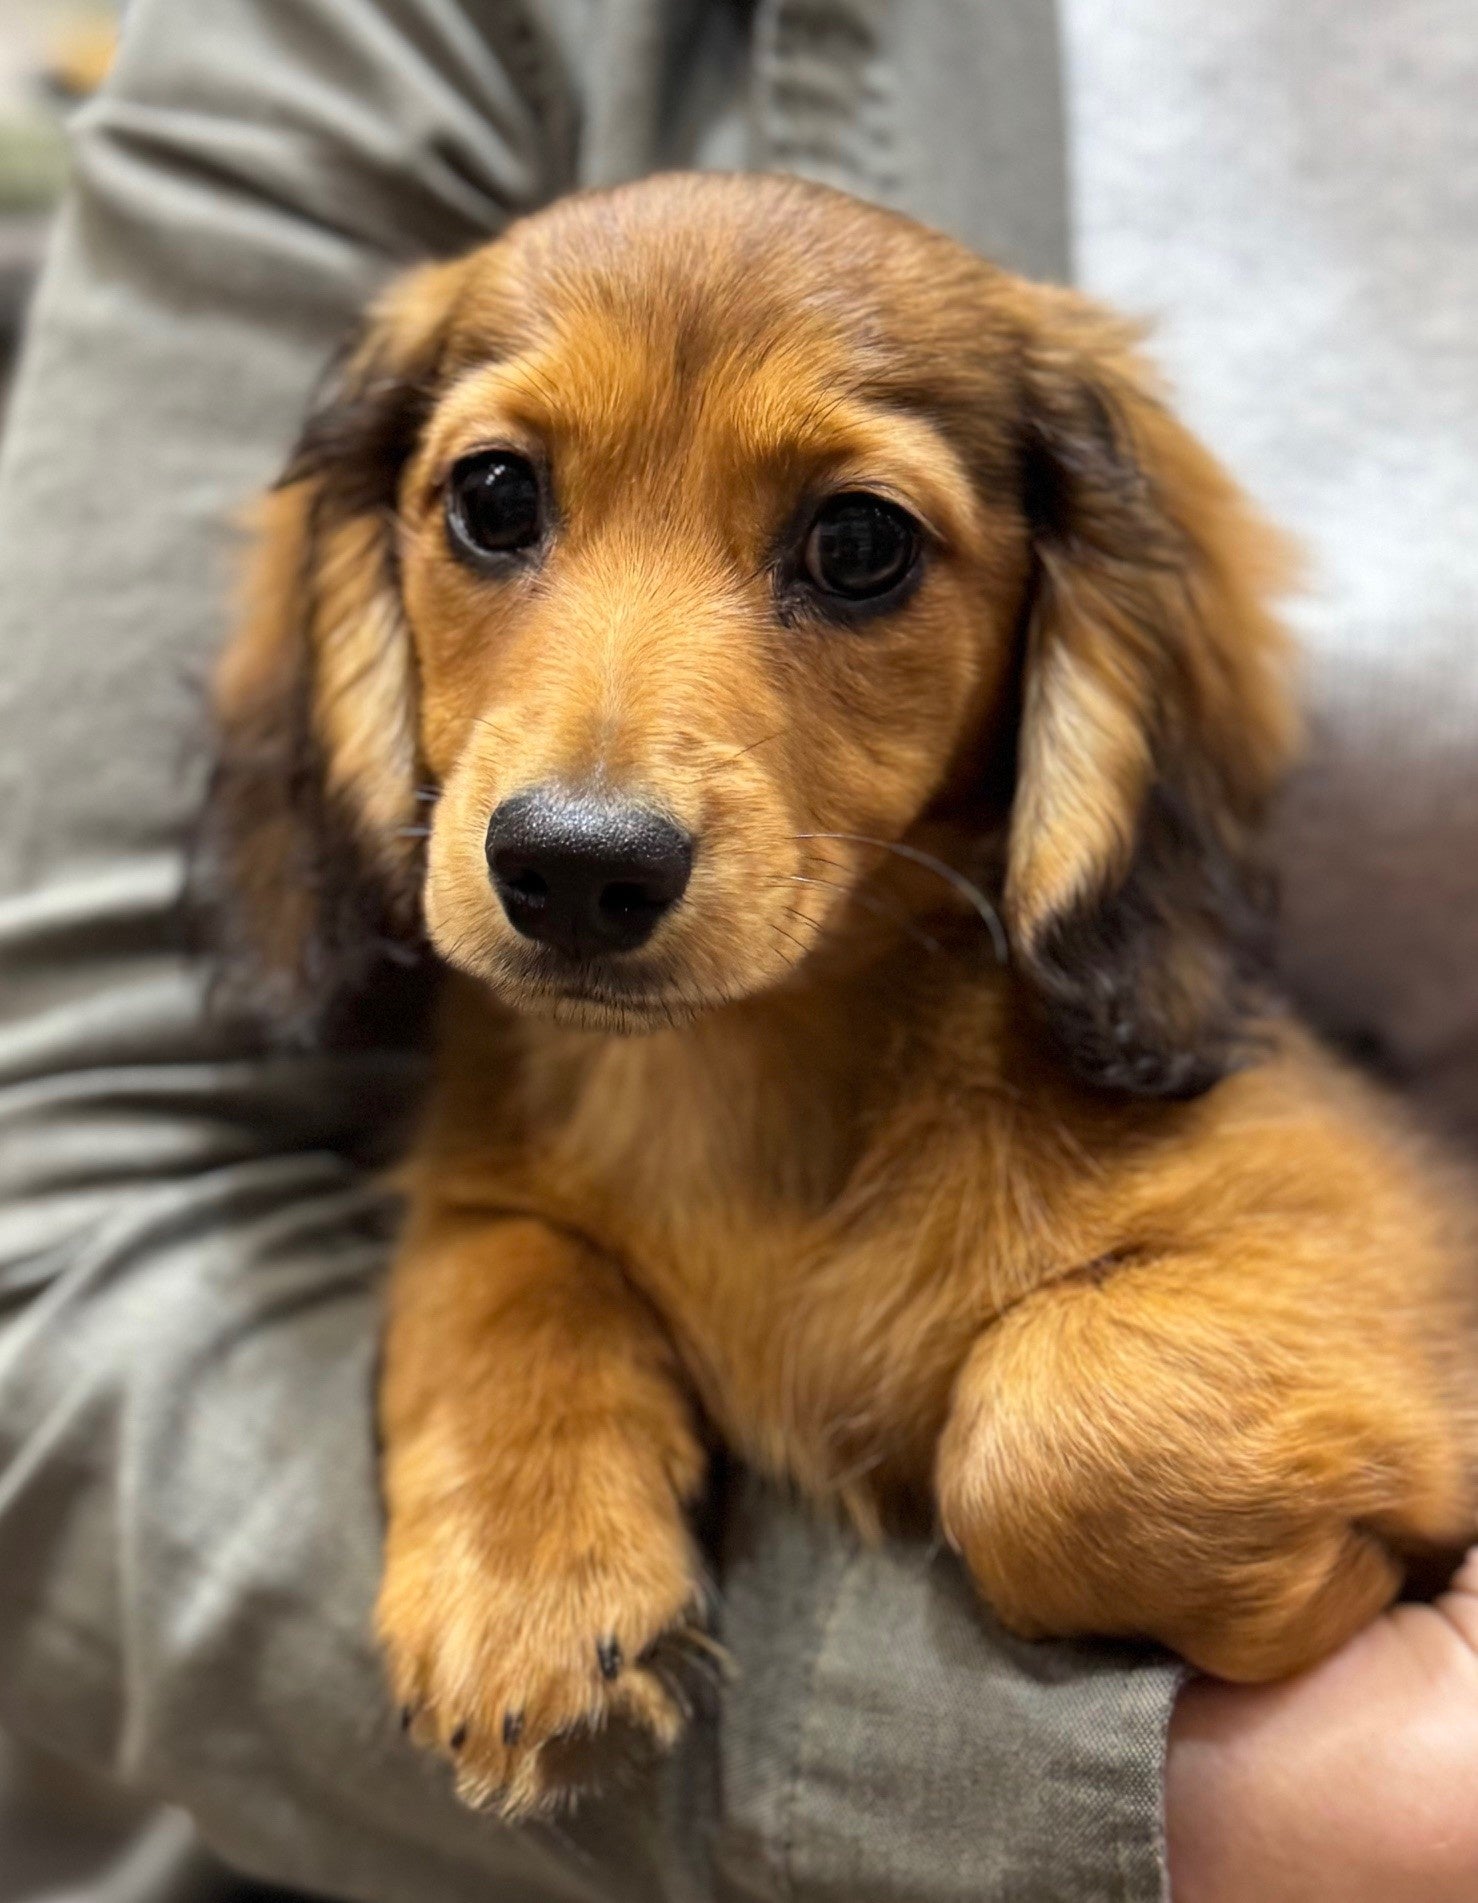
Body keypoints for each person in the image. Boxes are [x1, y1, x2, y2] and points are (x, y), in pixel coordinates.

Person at [0, 2, 1473, 1899]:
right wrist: (506, 1379)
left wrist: (1102, 1482)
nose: (589, 802)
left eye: (856, 553)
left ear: (1070, 653)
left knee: (1089, 1461)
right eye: (499, 504)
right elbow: (69, 1220)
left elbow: (1358, 1308)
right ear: (378, 570)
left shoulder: (1162, 1129)